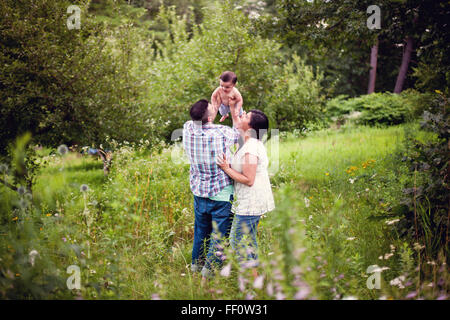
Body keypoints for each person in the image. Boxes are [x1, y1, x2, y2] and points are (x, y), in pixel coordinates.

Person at [182, 99, 241, 280]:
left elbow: (200, 116)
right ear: (209, 118)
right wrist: (232, 107)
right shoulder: (221, 132)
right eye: (211, 108)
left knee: (200, 233)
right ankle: (208, 276)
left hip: (199, 191)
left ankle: (195, 268)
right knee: (218, 237)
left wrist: (213, 103)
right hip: (221, 193)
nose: (214, 108)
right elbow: (239, 132)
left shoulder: (187, 129)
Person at [217, 99, 275, 276]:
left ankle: (252, 281)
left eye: (246, 115)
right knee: (247, 239)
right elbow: (236, 117)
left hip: (251, 202)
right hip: (250, 200)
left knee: (238, 241)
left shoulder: (250, 148)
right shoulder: (247, 142)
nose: (243, 114)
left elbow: (248, 179)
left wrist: (226, 168)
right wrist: (230, 105)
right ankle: (255, 275)